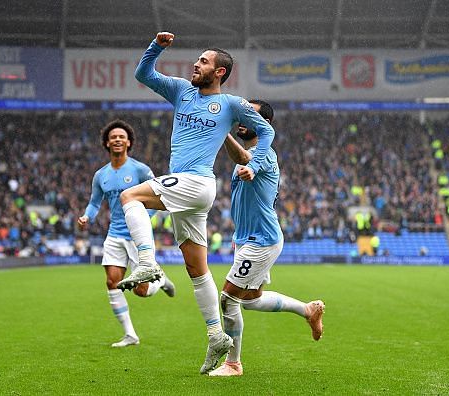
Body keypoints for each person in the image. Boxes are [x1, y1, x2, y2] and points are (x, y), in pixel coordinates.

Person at [117, 32, 275, 374]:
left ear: (219, 72)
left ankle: (146, 262)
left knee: (129, 195)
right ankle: (216, 334)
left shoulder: (231, 104)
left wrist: (254, 163)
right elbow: (144, 74)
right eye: (197, 60)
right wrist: (156, 47)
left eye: (203, 61)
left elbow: (268, 132)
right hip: (190, 191)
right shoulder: (181, 90)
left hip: (197, 181)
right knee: (196, 269)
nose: (196, 64)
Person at [209, 100, 325, 377]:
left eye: (251, 114)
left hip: (261, 240)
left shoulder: (265, 155)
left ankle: (233, 364)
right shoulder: (249, 153)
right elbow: (241, 160)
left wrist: (223, 132)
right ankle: (307, 310)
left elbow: (248, 162)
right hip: (247, 238)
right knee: (249, 299)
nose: (242, 118)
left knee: (227, 298)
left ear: (265, 125)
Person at [77, 119, 176, 348]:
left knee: (141, 292)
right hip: (114, 235)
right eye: (113, 137)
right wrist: (86, 217)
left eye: (122, 136)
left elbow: (158, 193)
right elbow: (94, 203)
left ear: (129, 142)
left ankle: (159, 281)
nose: (118, 139)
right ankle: (130, 334)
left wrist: (146, 219)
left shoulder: (140, 169)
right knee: (112, 281)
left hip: (136, 236)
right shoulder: (100, 175)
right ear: (107, 143)